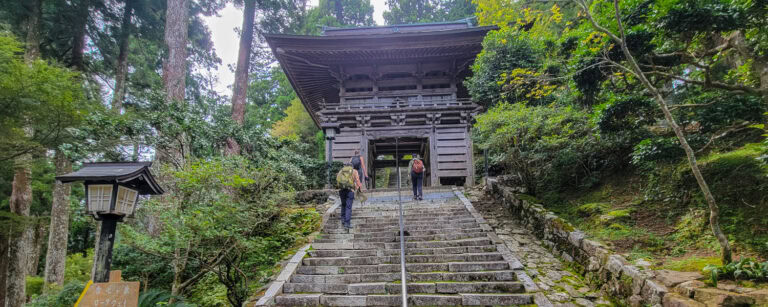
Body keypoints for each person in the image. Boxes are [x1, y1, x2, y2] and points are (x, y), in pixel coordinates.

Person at [337, 162, 362, 230]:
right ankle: (347, 223)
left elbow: (337, 181)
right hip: (350, 191)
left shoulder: (341, 171)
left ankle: (342, 219)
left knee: (343, 204)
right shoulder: (354, 171)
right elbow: (357, 181)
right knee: (348, 207)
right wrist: (358, 189)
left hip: (341, 190)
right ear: (352, 166)